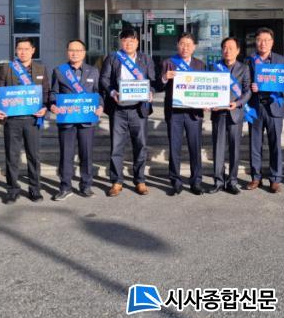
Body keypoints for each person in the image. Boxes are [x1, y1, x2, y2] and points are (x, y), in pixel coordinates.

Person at [0, 38, 49, 204]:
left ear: (33, 50)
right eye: (19, 49)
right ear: (16, 50)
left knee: (33, 156)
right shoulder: (7, 68)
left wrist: (45, 107)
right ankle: (13, 190)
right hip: (12, 120)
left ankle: (35, 189)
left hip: (32, 120)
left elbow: (46, 92)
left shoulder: (41, 69)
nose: (23, 52)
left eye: (26, 49)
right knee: (12, 156)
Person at [99, 28, 156, 197]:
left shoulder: (145, 59)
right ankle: (117, 181)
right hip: (118, 109)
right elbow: (104, 79)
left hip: (139, 109)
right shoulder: (113, 57)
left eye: (132, 40)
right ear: (121, 42)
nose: (128, 43)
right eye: (125, 40)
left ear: (137, 42)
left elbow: (152, 80)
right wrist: (112, 92)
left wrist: (151, 91)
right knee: (116, 146)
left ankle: (140, 180)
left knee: (140, 145)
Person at [49, 39, 103, 201]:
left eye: (78, 50)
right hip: (67, 119)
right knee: (66, 155)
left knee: (86, 154)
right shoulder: (59, 71)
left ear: (84, 53)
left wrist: (100, 106)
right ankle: (65, 187)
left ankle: (86, 186)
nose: (75, 53)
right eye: (71, 50)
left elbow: (99, 93)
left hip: (87, 119)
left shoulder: (93, 71)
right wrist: (53, 105)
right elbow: (53, 93)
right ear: (67, 52)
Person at [158, 32, 206, 195]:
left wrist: (207, 102)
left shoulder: (200, 64)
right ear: (177, 45)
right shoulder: (168, 63)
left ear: (194, 47)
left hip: (194, 113)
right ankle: (175, 181)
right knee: (174, 148)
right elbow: (158, 86)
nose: (185, 47)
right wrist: (165, 77)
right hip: (174, 113)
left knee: (195, 148)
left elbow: (204, 87)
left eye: (188, 44)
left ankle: (196, 181)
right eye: (182, 44)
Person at [245, 27, 284, 193]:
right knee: (255, 144)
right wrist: (251, 86)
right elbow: (245, 82)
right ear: (255, 42)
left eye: (266, 40)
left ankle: (275, 179)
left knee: (275, 144)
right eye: (259, 40)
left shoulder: (282, 59)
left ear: (272, 42)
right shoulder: (249, 60)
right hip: (255, 107)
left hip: (274, 107)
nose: (263, 43)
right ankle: (256, 178)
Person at [208, 36, 252, 195]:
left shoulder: (244, 68)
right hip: (218, 113)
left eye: (231, 48)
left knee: (234, 149)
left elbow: (248, 91)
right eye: (225, 48)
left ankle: (232, 181)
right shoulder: (214, 67)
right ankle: (218, 181)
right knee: (218, 148)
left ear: (238, 51)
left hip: (235, 113)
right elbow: (208, 88)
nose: (227, 51)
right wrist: (207, 102)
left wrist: (238, 103)